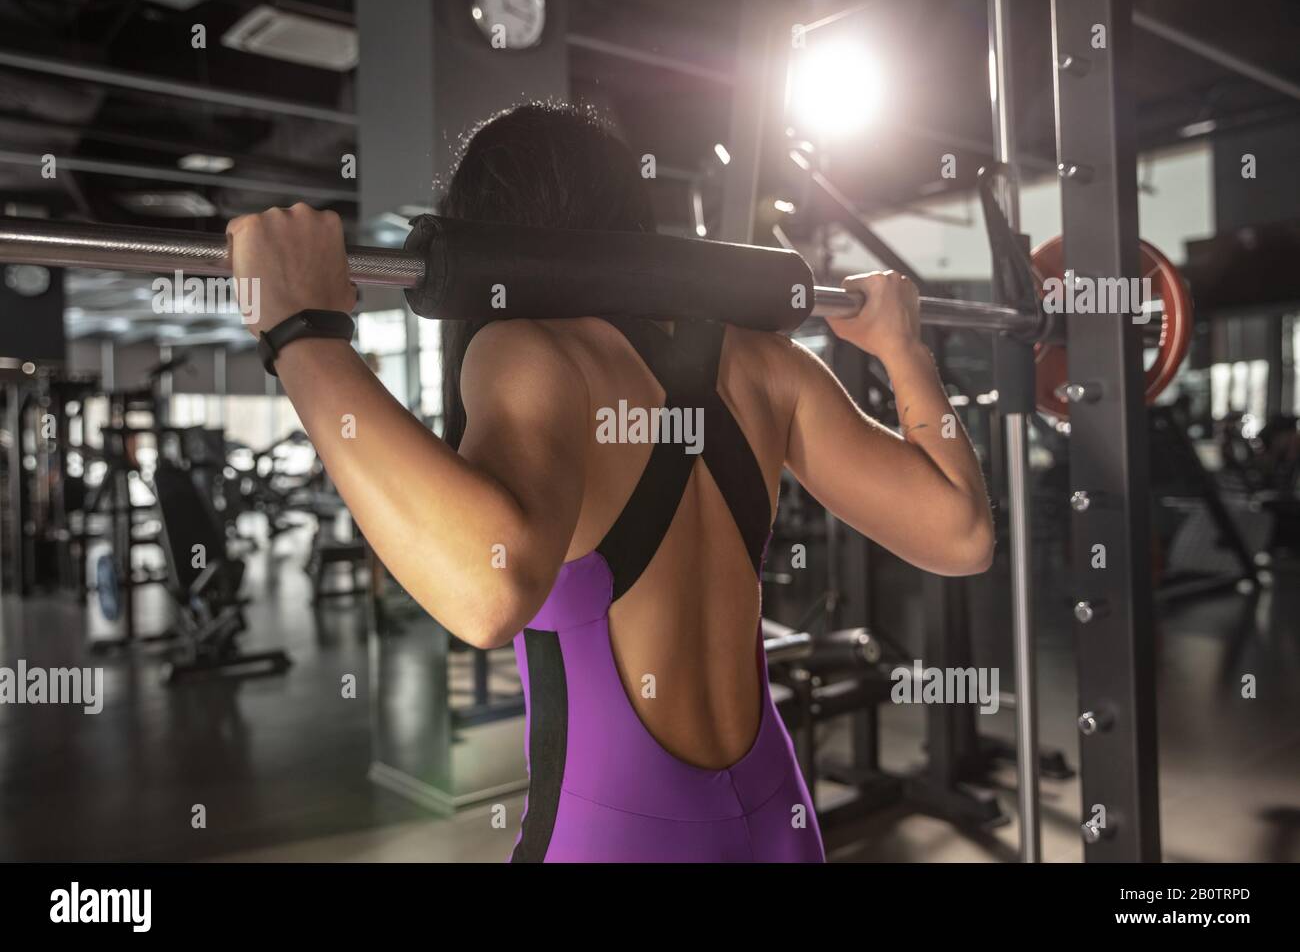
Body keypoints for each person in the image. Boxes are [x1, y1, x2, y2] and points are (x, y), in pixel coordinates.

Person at [225, 101, 994, 862]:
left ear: (486, 229)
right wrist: (903, 350)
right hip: (777, 816)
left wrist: (301, 331)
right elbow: (961, 533)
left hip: (618, 838)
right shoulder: (769, 363)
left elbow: (485, 593)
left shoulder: (528, 353)